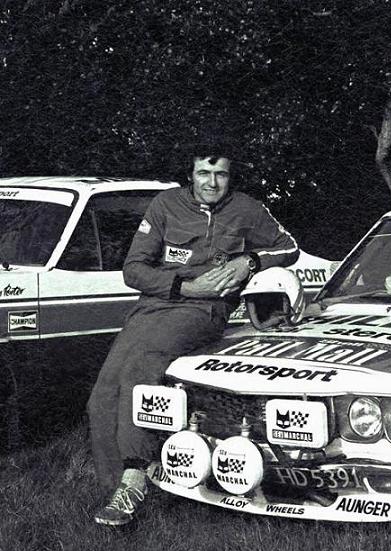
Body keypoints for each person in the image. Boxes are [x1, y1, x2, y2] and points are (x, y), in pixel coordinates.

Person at [87, 149, 300, 526]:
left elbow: (289, 248)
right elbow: (133, 269)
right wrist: (185, 286)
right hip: (155, 305)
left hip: (204, 311)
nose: (212, 183)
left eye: (221, 174)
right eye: (204, 173)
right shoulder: (165, 204)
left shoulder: (247, 209)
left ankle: (134, 479)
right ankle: (113, 488)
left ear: (231, 177)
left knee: (141, 368)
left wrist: (249, 261)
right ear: (191, 174)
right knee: (102, 395)